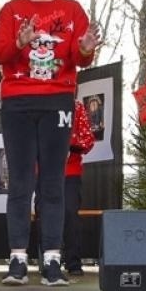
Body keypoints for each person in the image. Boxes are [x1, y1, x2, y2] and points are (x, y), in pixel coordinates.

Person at [0, 0, 100, 286]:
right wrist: (20, 43)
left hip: (57, 100)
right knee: (21, 182)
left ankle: (52, 259)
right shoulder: (12, 9)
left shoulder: (71, 9)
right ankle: (18, 259)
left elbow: (81, 57)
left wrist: (84, 50)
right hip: (18, 101)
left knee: (53, 182)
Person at [60, 98, 96, 278]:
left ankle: (73, 261)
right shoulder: (40, 101)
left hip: (70, 171)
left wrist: (72, 147)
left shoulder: (76, 106)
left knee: (69, 213)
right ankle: (48, 260)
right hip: (43, 170)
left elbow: (88, 139)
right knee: (44, 212)